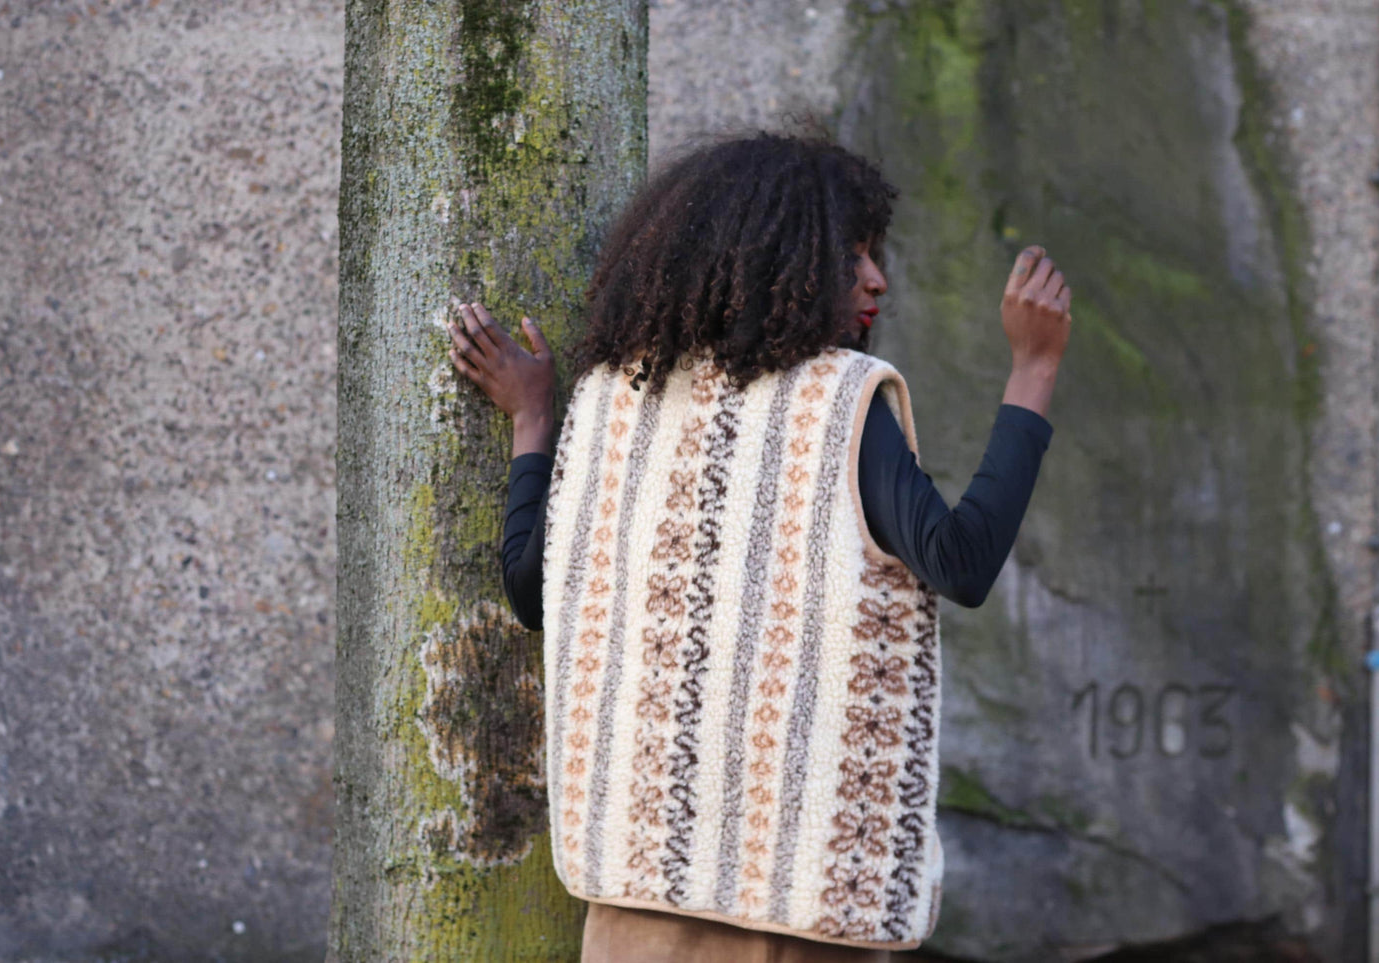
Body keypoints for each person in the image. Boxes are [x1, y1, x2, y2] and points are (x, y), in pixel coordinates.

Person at [445, 133, 1071, 962]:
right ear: (780, 261)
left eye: (874, 255)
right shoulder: (836, 398)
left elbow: (534, 594)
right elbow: (958, 563)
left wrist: (533, 419)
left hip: (638, 899)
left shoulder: (609, 401)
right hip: (801, 908)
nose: (876, 279)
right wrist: (1033, 368)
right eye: (850, 256)